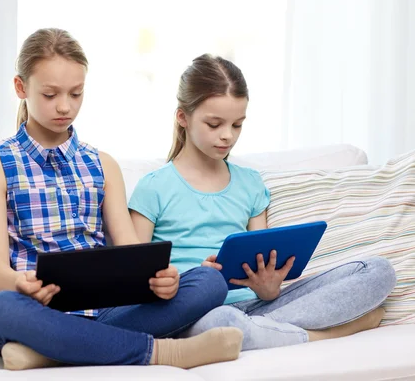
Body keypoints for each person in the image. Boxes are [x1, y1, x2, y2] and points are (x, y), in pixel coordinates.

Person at [0, 30, 243, 370]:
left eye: (76, 93)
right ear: (20, 88)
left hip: (108, 309)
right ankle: (163, 352)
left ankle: (49, 352)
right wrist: (19, 284)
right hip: (39, 308)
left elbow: (134, 255)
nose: (64, 106)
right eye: (50, 94)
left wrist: (161, 279)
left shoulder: (102, 164)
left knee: (210, 282)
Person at [128, 53, 397, 351]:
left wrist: (269, 287)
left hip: (258, 306)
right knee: (225, 322)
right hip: (200, 315)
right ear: (183, 118)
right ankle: (324, 334)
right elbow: (133, 278)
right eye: (214, 124)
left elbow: (262, 258)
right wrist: (187, 282)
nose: (227, 136)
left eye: (237, 125)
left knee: (377, 271)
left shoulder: (250, 183)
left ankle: (266, 332)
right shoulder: (153, 188)